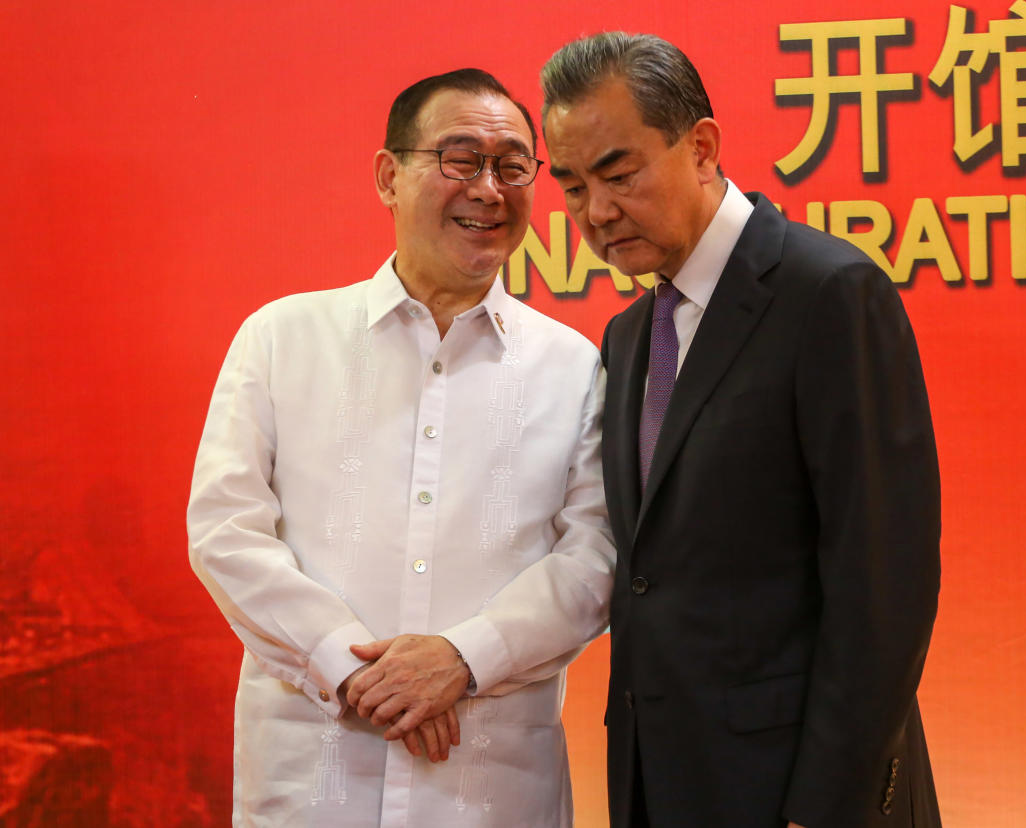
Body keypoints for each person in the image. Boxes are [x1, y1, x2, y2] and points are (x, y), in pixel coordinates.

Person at [187, 68, 615, 827]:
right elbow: (226, 531)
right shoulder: (282, 338)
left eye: (513, 166)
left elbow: (595, 557)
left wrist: (463, 659)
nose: (488, 188)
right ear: (389, 176)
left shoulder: (574, 367)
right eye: (459, 159)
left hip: (491, 789)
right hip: (312, 784)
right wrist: (348, 666)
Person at [540, 33, 942, 828]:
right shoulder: (627, 336)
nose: (597, 213)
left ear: (703, 147)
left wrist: (824, 807)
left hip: (805, 790)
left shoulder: (829, 294)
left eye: (619, 175)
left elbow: (884, 589)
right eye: (574, 186)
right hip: (664, 784)